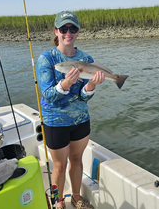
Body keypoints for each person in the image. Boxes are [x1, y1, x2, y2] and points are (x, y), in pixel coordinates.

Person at [36, 11, 105, 209]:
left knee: (77, 159)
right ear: (56, 31)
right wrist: (66, 83)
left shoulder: (86, 58)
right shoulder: (47, 59)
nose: (68, 32)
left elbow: (83, 96)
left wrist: (91, 86)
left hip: (81, 119)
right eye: (63, 28)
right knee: (59, 165)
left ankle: (76, 197)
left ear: (77, 31)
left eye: (72, 28)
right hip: (55, 122)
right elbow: (49, 95)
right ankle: (58, 202)